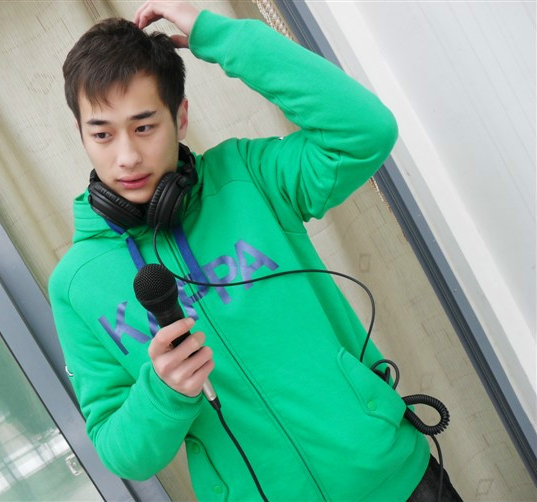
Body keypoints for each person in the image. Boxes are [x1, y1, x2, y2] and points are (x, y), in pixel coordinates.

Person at [49, 2, 462, 501]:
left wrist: (221, 38)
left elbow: (365, 130)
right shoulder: (75, 284)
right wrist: (163, 392)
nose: (127, 157)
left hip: (397, 481)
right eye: (102, 134)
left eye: (144, 127)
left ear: (180, 117)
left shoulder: (250, 175)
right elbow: (123, 455)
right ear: (82, 136)